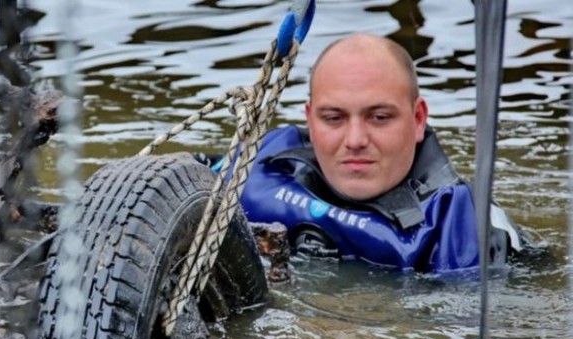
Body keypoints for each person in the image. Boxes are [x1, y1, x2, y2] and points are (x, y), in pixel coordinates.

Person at [214, 33, 523, 274]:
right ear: (310, 119)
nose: (355, 140)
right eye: (333, 118)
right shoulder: (265, 161)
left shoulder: (459, 221)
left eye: (379, 118)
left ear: (418, 120)